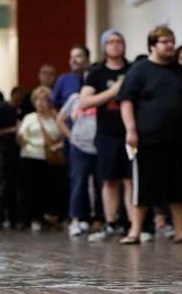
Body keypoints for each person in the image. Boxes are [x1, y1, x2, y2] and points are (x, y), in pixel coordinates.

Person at [117, 26, 182, 245]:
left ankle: (180, 230)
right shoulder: (139, 70)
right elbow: (126, 101)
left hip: (180, 138)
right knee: (144, 187)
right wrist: (131, 130)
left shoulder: (181, 72)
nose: (170, 45)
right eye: (164, 41)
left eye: (172, 41)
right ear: (152, 45)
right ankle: (135, 230)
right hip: (149, 138)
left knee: (179, 186)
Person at [80, 30, 134, 242]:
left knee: (130, 180)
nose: (115, 45)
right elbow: (84, 102)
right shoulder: (97, 73)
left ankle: (131, 225)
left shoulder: (132, 69)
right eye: (110, 42)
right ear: (104, 47)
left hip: (130, 133)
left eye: (119, 41)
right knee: (109, 180)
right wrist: (113, 92)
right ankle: (110, 222)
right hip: (107, 133)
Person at [17, 86, 67, 231]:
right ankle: (34, 218)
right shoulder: (29, 118)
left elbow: (63, 135)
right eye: (37, 100)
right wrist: (21, 139)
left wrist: (58, 146)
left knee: (52, 189)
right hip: (31, 156)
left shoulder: (55, 117)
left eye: (43, 100)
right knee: (32, 189)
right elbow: (21, 136)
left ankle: (51, 216)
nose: (40, 103)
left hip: (51, 157)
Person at [59, 75, 101, 237]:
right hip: (79, 147)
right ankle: (76, 219)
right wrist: (71, 137)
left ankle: (100, 219)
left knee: (101, 185)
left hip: (99, 147)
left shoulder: (103, 98)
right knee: (79, 182)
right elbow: (61, 119)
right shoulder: (75, 98)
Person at [0, 87, 21, 228]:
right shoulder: (1, 109)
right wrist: (11, 130)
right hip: (4, 151)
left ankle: (13, 217)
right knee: (5, 183)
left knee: (15, 184)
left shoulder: (18, 111)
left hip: (18, 152)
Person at [52, 46, 90, 110]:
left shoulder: (94, 77)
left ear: (87, 59)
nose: (74, 60)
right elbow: (53, 104)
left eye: (78, 56)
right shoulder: (62, 80)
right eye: (71, 57)